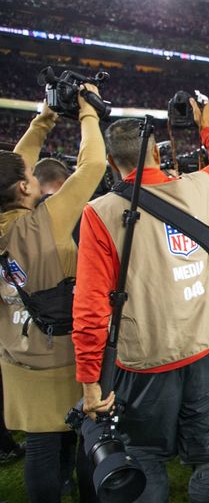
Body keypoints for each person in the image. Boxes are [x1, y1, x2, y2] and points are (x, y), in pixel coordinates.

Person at [72, 97, 209, 502]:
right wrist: (205, 126)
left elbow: (90, 307)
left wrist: (89, 384)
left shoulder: (99, 213)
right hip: (205, 346)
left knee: (144, 456)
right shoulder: (198, 186)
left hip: (146, 358)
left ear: (114, 163)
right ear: (155, 152)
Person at [0, 91, 105, 502]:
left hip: (15, 351)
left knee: (42, 444)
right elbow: (93, 165)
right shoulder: (39, 226)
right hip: (60, 352)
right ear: (25, 186)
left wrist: (43, 121)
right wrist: (87, 114)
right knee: (83, 440)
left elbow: (10, 167)